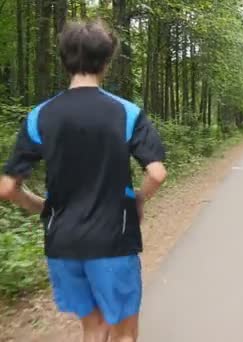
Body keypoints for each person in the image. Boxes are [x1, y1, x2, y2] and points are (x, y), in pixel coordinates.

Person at [0, 20, 166, 342]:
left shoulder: (40, 115)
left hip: (62, 243)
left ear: (64, 61)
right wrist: (138, 200)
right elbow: (157, 173)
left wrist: (41, 207)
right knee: (123, 333)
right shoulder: (127, 113)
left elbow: (7, 187)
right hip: (113, 240)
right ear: (107, 61)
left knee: (93, 328)